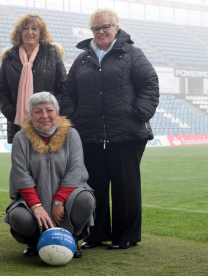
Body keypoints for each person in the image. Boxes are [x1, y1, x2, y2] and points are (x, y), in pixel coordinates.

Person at [61, 8, 159, 250]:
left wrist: (139, 113)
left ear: (116, 27)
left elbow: (150, 84)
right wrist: (73, 117)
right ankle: (96, 234)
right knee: (95, 187)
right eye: (96, 28)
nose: (101, 31)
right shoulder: (82, 59)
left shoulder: (132, 54)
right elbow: (68, 92)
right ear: (91, 31)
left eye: (105, 26)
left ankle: (126, 235)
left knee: (126, 187)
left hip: (127, 134)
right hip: (90, 135)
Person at [5, 92, 95, 258]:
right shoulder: (20, 138)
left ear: (57, 112)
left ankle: (71, 239)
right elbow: (21, 174)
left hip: (68, 198)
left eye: (49, 110)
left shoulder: (71, 135)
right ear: (31, 114)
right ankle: (34, 240)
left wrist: (59, 200)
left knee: (85, 200)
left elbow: (75, 170)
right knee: (17, 216)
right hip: (32, 200)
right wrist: (35, 205)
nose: (44, 116)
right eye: (38, 111)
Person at [0, 13, 67, 144]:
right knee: (21, 163)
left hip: (48, 124)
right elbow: (1, 91)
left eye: (34, 29)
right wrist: (13, 114)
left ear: (41, 33)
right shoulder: (9, 58)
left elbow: (63, 87)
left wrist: (52, 113)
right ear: (19, 32)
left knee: (48, 163)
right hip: (18, 125)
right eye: (26, 28)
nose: (30, 32)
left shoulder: (52, 54)